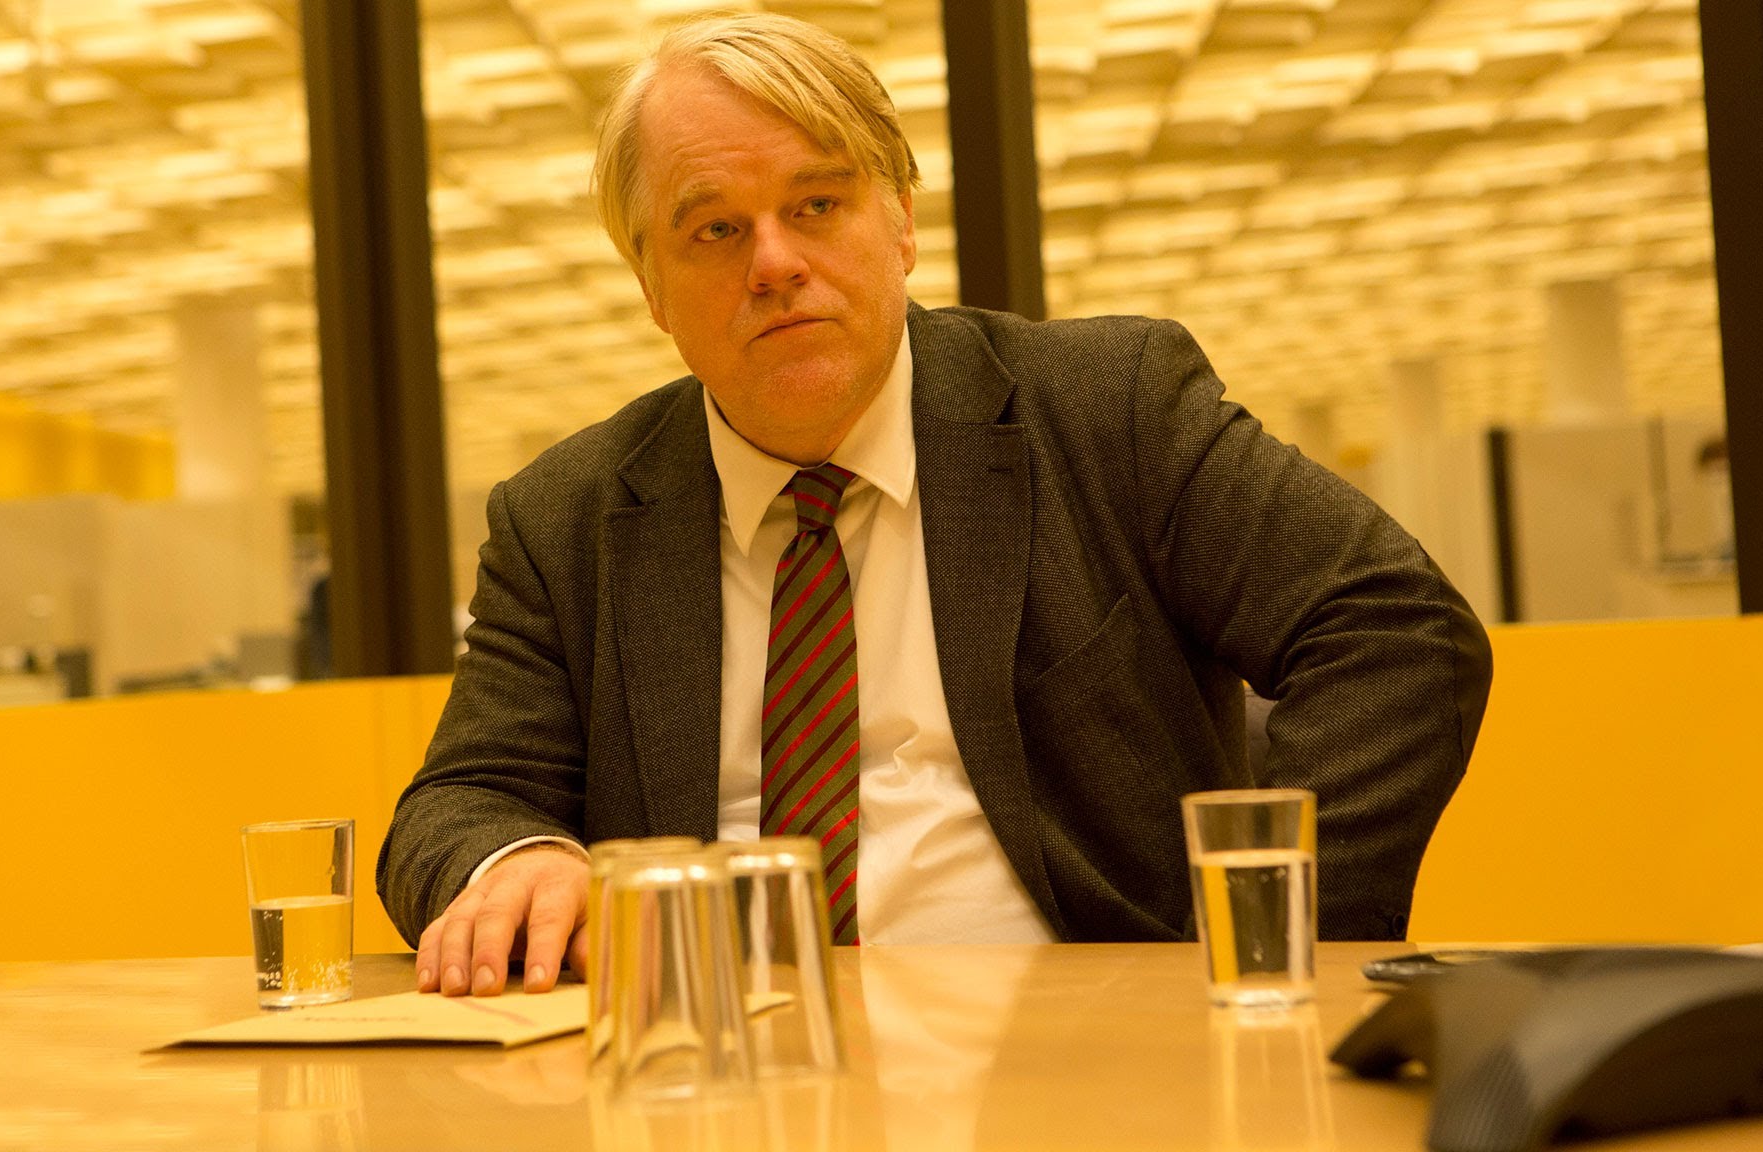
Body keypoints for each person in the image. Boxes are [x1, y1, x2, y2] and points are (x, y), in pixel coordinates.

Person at [380, 14, 1492, 997]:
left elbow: (1393, 629)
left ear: (902, 224)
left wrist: (1268, 935)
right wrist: (517, 858)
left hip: (1092, 1065)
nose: (774, 263)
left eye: (817, 204)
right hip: (725, 1067)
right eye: (714, 229)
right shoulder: (566, 518)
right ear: (651, 286)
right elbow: (462, 798)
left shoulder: (1106, 412)